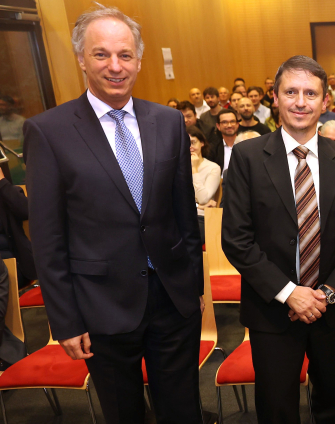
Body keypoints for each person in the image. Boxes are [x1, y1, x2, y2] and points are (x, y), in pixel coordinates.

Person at [24, 5, 205, 423]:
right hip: (100, 306)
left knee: (182, 410)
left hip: (173, 301)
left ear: (139, 60)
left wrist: (192, 285)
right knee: (124, 414)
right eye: (101, 54)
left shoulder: (168, 121)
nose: (115, 66)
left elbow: (183, 214)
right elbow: (49, 238)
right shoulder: (48, 132)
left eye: (125, 54)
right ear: (81, 59)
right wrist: (64, 320)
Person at [222, 55, 335, 423]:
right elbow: (236, 239)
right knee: (276, 410)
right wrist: (291, 293)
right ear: (274, 97)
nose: (300, 102)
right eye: (291, 91)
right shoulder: (247, 156)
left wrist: (328, 294)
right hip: (272, 311)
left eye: (310, 93)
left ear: (325, 101)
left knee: (334, 406)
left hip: (332, 309)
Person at [187, 127, 221, 242]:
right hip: (182, 214)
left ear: (202, 143)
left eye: (193, 142)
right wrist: (198, 206)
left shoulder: (213, 168)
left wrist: (194, 169)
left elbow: (203, 198)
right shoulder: (177, 167)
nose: (190, 147)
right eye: (186, 143)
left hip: (201, 218)